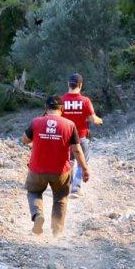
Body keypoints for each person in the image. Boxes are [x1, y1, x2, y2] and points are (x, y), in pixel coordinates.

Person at [22, 95, 89, 236]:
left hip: (37, 169)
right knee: (60, 197)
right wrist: (84, 168)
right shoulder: (70, 125)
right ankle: (57, 229)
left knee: (34, 192)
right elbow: (77, 149)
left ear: (46, 108)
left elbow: (25, 140)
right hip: (61, 171)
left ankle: (38, 215)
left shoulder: (36, 122)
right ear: (62, 109)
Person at [59, 73, 101, 197]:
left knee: (69, 161)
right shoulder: (85, 101)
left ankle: (68, 185)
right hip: (81, 137)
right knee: (83, 162)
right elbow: (93, 119)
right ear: (80, 85)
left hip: (65, 138)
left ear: (68, 84)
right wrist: (100, 120)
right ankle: (76, 188)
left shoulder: (61, 100)